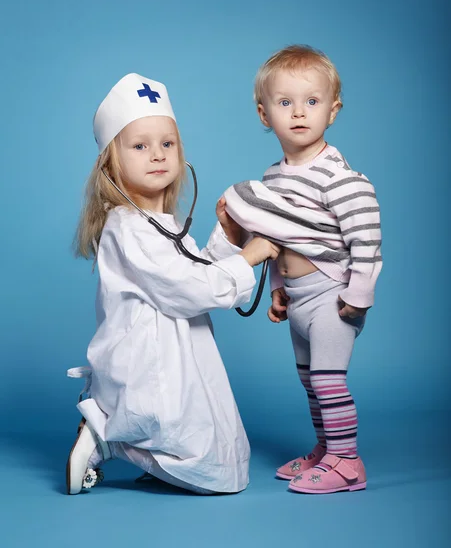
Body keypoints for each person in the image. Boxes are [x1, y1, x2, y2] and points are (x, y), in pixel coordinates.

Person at [66, 73, 279, 496]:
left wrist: (229, 237)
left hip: (178, 358)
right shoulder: (127, 228)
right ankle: (105, 436)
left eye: (167, 143)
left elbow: (194, 269)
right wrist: (252, 255)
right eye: (140, 146)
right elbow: (192, 289)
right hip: (152, 364)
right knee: (214, 472)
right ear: (111, 162)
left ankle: (122, 440)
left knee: (223, 462)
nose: (157, 154)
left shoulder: (162, 224)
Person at [224, 45, 382, 494]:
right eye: (285, 102)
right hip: (298, 295)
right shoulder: (272, 178)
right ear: (263, 114)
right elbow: (281, 240)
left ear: (332, 111)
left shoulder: (339, 176)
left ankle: (348, 463)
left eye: (312, 102)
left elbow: (366, 237)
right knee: (310, 381)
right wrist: (278, 289)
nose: (299, 113)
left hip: (332, 293)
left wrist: (359, 294)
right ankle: (327, 448)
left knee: (330, 381)